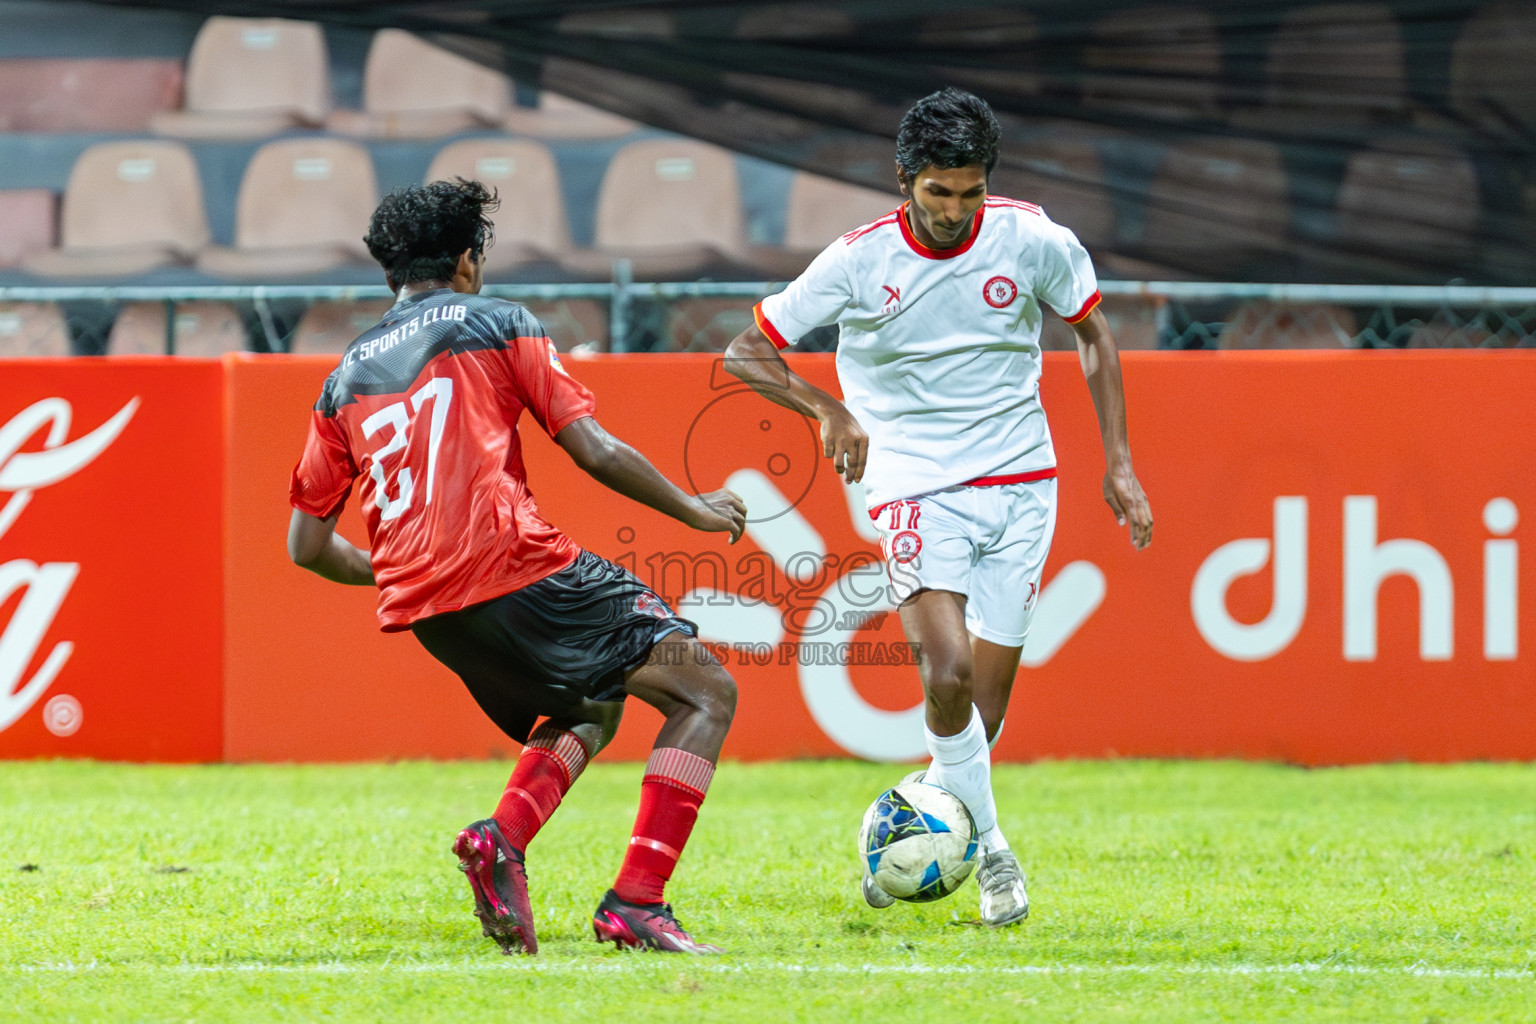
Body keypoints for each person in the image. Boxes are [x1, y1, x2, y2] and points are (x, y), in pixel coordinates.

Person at [723, 88, 1153, 928]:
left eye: (970, 193)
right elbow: (746, 352)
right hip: (914, 482)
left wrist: (1122, 464)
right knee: (946, 673)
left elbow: (1093, 334)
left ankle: (907, 840)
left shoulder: (1035, 239)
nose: (955, 211)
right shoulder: (858, 260)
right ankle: (994, 854)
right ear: (903, 181)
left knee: (979, 715)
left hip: (1024, 483)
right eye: (937, 193)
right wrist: (829, 409)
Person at [287, 179, 745, 955]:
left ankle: (501, 838)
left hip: (431, 610)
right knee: (705, 691)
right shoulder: (498, 323)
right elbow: (591, 447)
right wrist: (697, 511)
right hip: (515, 568)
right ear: (468, 260)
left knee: (589, 705)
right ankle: (637, 900)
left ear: (391, 272)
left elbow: (306, 545)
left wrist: (407, 561)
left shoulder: (345, 378)